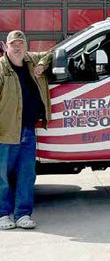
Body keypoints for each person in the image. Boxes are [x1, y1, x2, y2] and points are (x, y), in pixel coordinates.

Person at [0, 30, 52, 230]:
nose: (17, 47)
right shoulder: (2, 68)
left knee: (27, 175)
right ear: (6, 46)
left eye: (21, 43)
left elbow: (52, 53)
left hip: (28, 131)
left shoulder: (30, 60)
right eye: (14, 43)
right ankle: (3, 214)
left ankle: (22, 214)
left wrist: (41, 65)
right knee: (2, 176)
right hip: (6, 131)